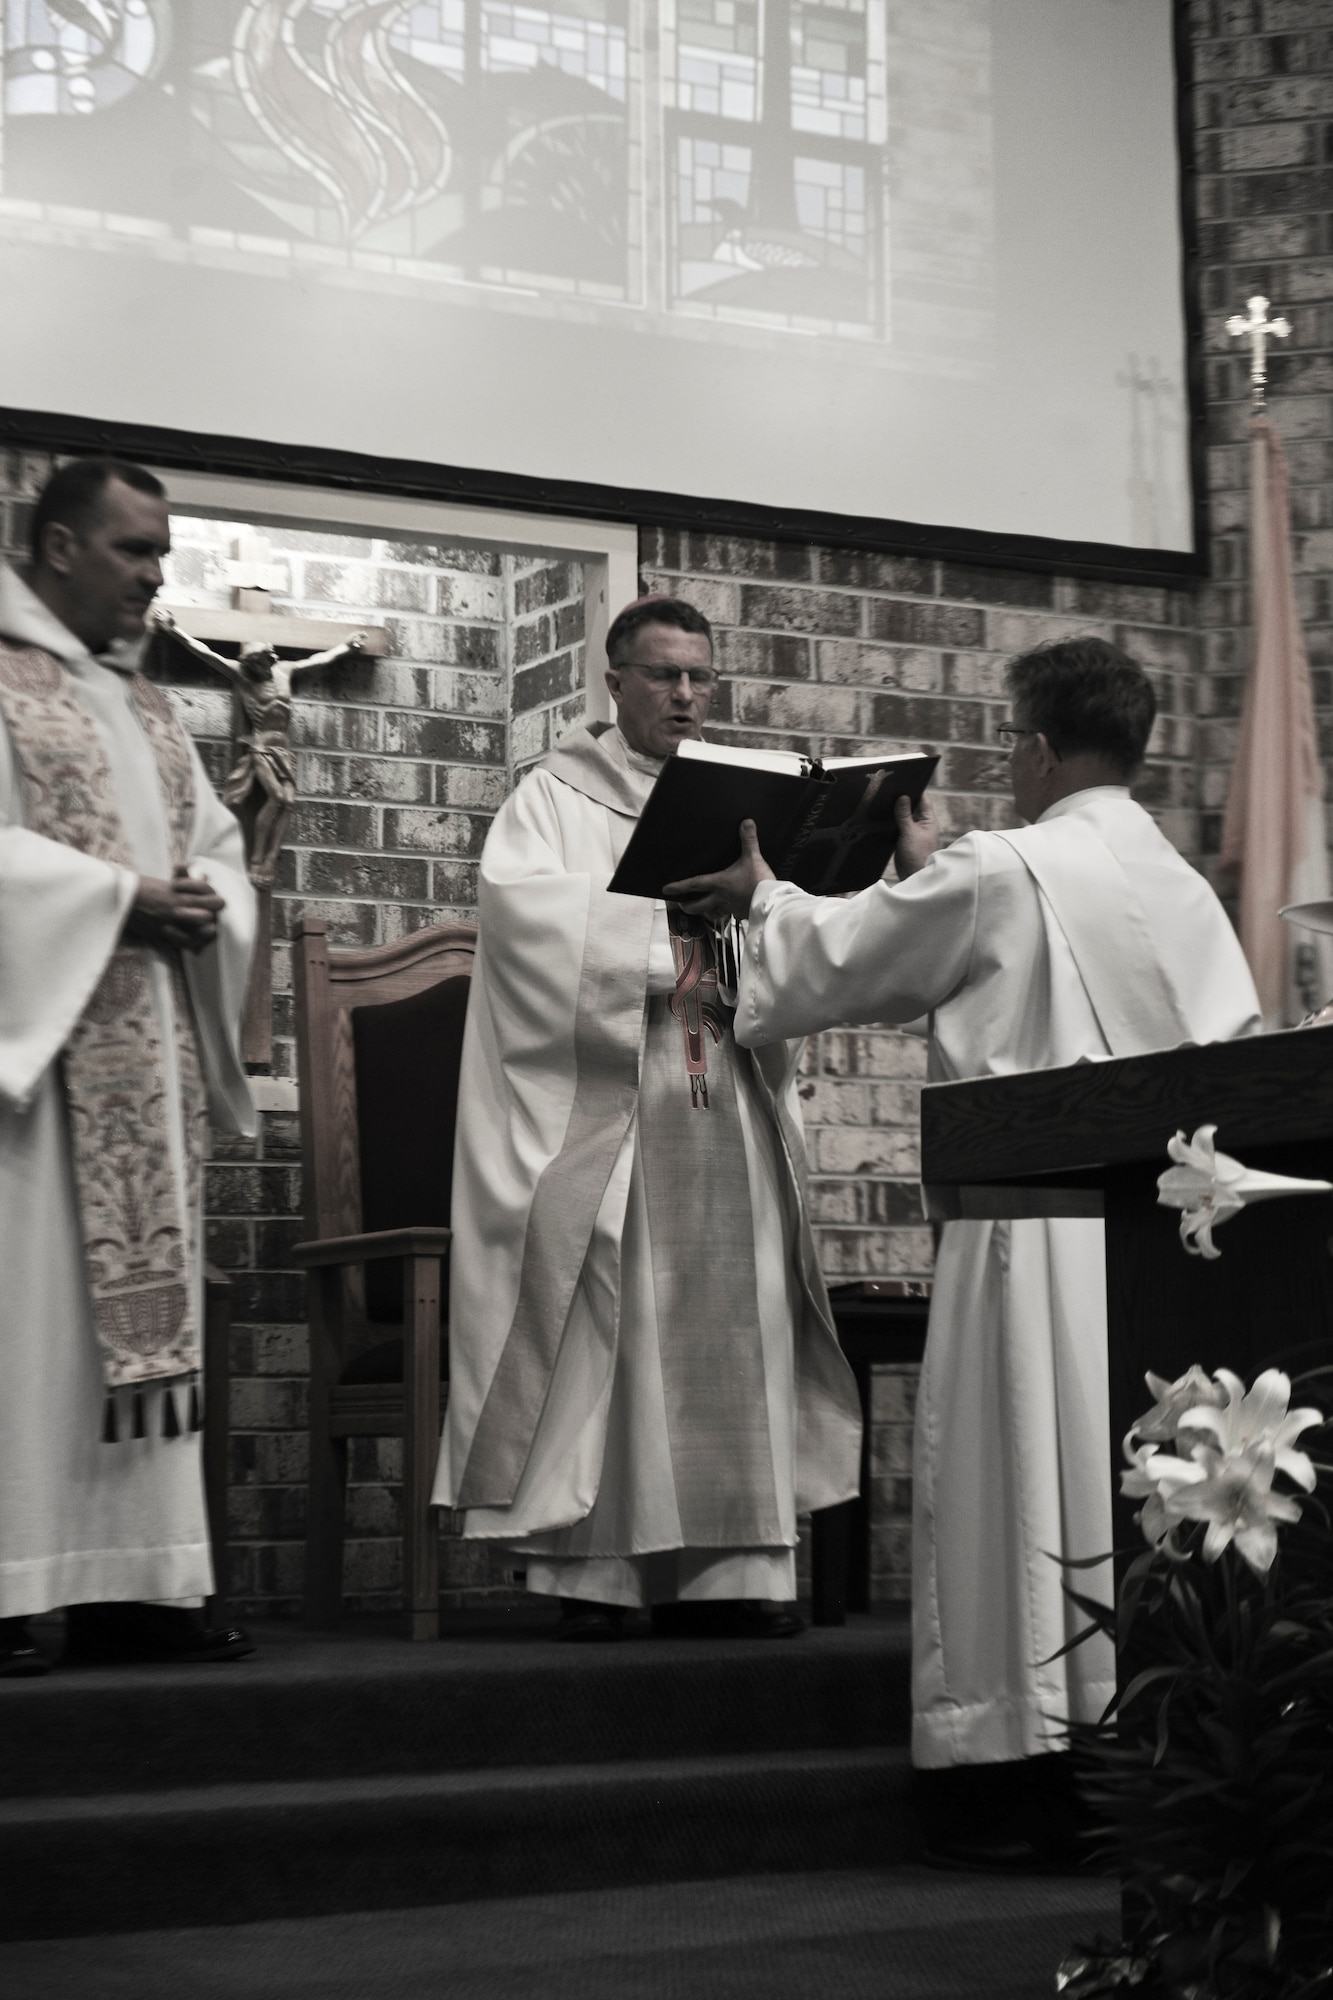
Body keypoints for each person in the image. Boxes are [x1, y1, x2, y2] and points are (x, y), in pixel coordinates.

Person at [667, 636, 1262, 1858]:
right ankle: (1147, 1766)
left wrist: (763, 892)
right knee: (1130, 1510)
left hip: (1024, 1247)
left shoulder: (1007, 867)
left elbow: (842, 959)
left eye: (1009, 742)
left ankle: (1019, 1773)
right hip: (1165, 1268)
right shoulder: (1180, 882)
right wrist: (934, 872)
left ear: (1038, 748)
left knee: (1018, 1503)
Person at [433, 596, 862, 1638]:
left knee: (742, 1309)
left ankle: (733, 1571)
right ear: (612, 682)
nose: (683, 694)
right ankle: (601, 1569)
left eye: (699, 677)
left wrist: (766, 903)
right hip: (614, 1102)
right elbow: (523, 923)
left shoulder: (739, 801)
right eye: (662, 674)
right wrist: (660, 913)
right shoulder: (552, 798)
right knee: (612, 1317)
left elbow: (775, 933)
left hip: (723, 1084)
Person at [0, 458, 257, 1674]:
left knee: (142, 1329)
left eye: (162, 553)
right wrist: (113, 897)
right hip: (37, 1077)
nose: (157, 578)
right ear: (57, 549)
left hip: (142, 1056)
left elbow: (213, 847)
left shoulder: (150, 707)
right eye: (134, 550)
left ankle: (143, 1580)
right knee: (29, 1325)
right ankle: (17, 1583)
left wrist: (213, 897)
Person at [149, 611, 367, 886]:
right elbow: (205, 653)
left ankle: (269, 857)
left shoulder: (284, 672)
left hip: (282, 749)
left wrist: (346, 647)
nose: (263, 665)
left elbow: (317, 659)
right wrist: (174, 630)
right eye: (258, 661)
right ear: (251, 663)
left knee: (287, 801)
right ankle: (257, 859)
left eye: (266, 659)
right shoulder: (242, 675)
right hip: (261, 746)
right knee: (276, 797)